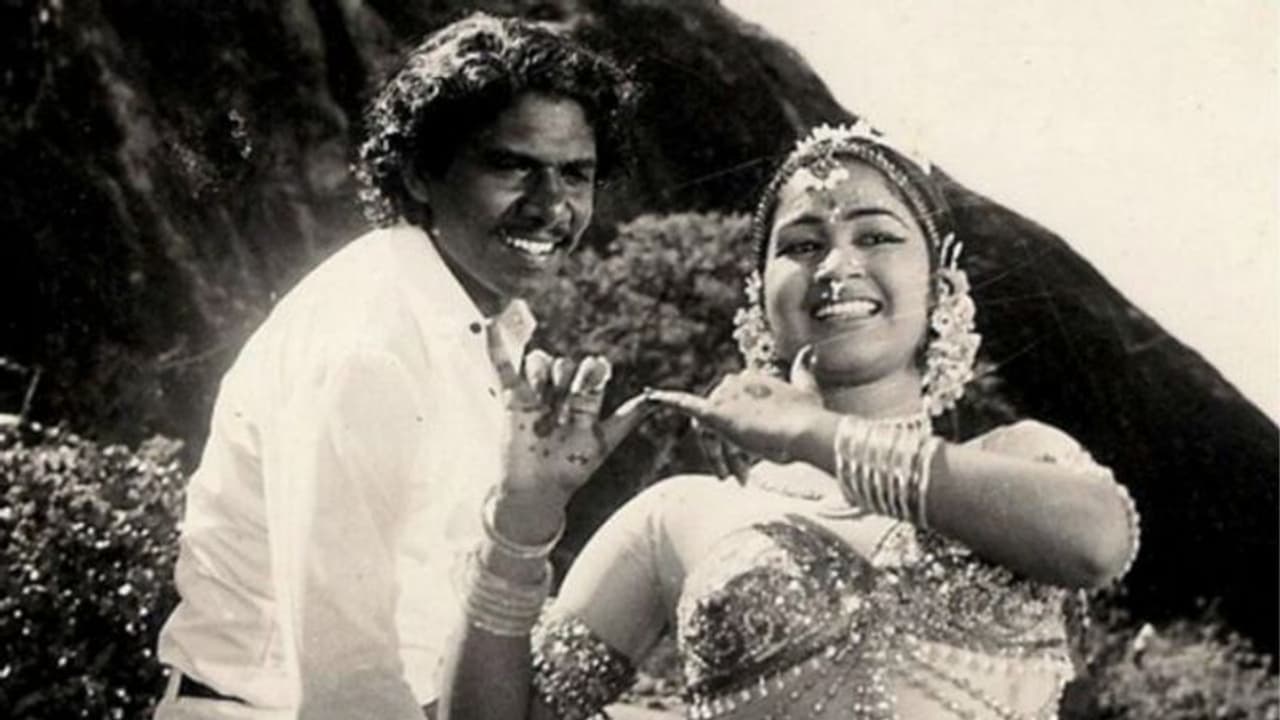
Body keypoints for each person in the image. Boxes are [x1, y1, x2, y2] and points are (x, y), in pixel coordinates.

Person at [439, 122, 1142, 719]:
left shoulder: (1021, 455)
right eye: (803, 245)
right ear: (760, 297)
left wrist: (815, 435)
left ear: (941, 287)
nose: (837, 265)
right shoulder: (680, 518)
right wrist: (522, 521)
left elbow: (1098, 544)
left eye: (877, 236)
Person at [153, 13, 637, 719]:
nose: (551, 206)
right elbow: (345, 680)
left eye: (575, 174)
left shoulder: (474, 324)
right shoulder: (370, 337)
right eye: (512, 166)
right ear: (417, 171)